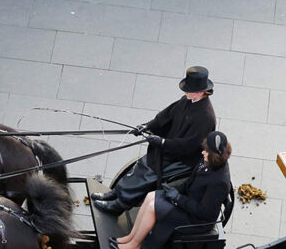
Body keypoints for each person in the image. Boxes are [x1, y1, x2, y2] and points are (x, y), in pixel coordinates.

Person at [92, 66, 217, 213]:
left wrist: (162, 142)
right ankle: (116, 192)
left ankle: (120, 204)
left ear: (202, 92)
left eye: (189, 90)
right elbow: (166, 116)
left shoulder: (206, 117)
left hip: (183, 159)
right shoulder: (187, 100)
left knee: (149, 172)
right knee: (141, 165)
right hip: (169, 148)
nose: (185, 92)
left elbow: (189, 145)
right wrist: (147, 126)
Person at [111, 131, 232, 249]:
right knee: (150, 196)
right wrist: (174, 190)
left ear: (214, 156)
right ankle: (131, 237)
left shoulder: (219, 182)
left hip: (196, 220)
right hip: (187, 201)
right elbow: (190, 182)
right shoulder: (208, 161)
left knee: (152, 207)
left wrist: (177, 198)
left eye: (206, 151)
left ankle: (135, 245)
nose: (203, 152)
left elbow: (204, 212)